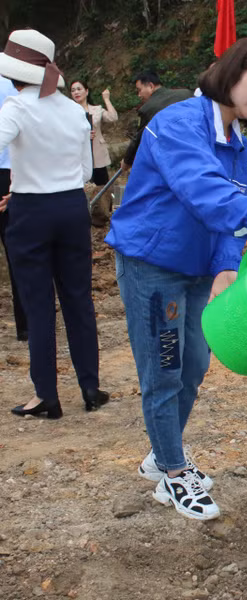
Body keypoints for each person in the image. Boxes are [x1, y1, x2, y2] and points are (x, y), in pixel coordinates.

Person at [106, 37, 247, 521]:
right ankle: (174, 475)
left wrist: (224, 267)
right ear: (233, 72)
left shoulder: (238, 141)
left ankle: (161, 455)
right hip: (154, 266)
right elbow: (204, 191)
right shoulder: (177, 124)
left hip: (197, 271)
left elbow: (226, 217)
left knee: (195, 363)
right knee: (165, 367)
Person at [0, 29, 109, 419]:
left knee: (39, 302)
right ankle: (91, 387)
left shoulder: (16, 107)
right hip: (71, 208)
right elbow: (83, 170)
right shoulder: (72, 110)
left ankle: (46, 394)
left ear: (15, 73)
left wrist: (24, 183)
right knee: (79, 298)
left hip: (31, 211)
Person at [0, 74, 27, 342]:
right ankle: (26, 324)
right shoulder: (16, 78)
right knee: (17, 250)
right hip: (13, 170)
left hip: (9, 167)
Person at [121, 70, 193, 169]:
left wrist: (127, 161)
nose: (139, 95)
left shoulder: (148, 108)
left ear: (151, 86)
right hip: (195, 148)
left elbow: (139, 139)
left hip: (171, 157)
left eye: (139, 90)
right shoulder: (186, 94)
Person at [70, 79, 118, 186]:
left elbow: (113, 117)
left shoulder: (97, 109)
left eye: (79, 89)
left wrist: (106, 99)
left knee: (102, 187)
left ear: (86, 91)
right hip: (78, 155)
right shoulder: (68, 112)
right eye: (73, 90)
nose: (76, 92)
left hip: (97, 155)